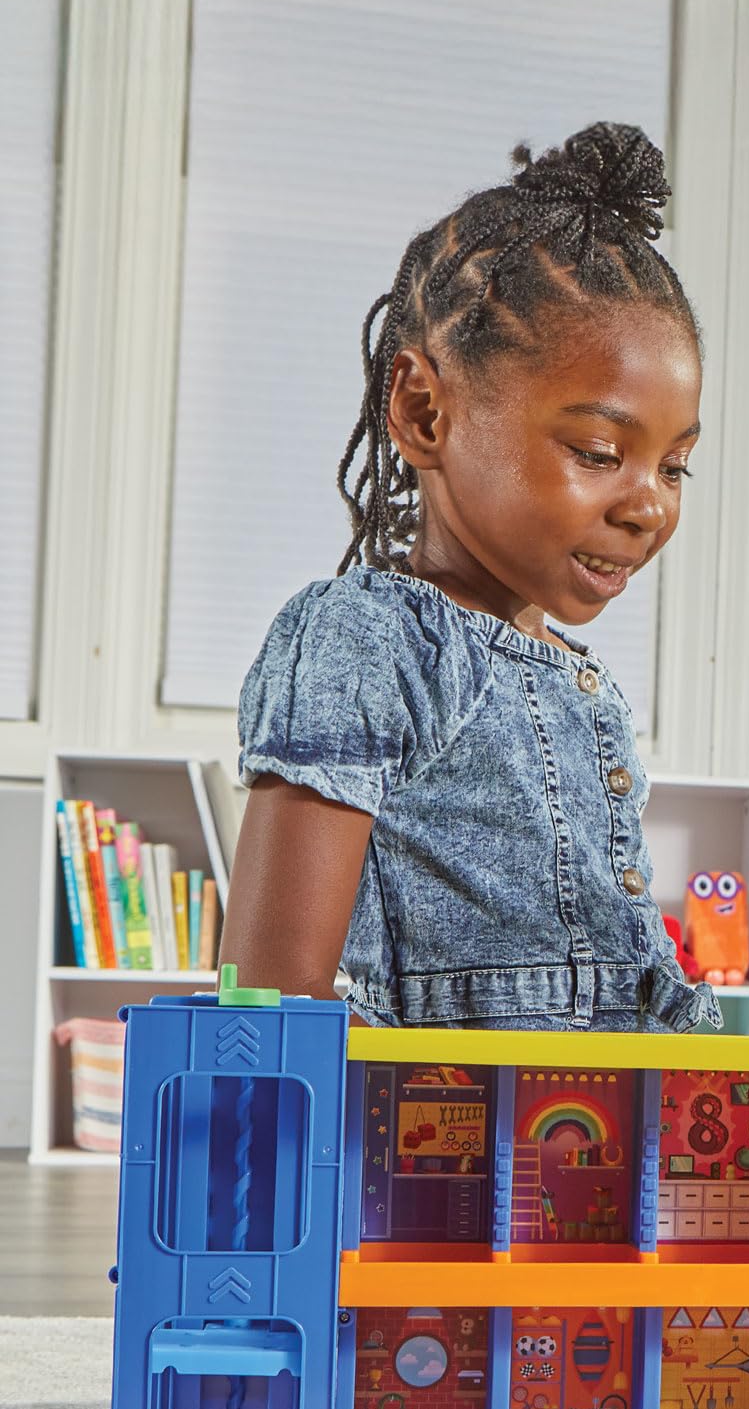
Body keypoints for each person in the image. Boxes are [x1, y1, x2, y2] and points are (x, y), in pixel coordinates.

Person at [220, 121, 716, 1034]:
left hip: (594, 1159)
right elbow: (272, 1008)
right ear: (422, 412)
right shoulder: (366, 641)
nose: (649, 505)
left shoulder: (575, 679)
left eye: (674, 466)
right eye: (601, 452)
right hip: (439, 1169)